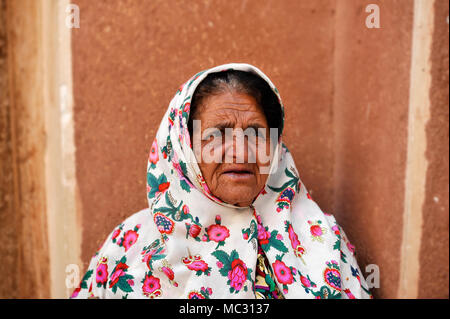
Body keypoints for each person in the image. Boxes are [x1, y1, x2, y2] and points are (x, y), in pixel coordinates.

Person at [71, 63, 372, 299]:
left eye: (256, 133)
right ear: (183, 147)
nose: (240, 151)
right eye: (217, 134)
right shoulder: (130, 246)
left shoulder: (323, 240)